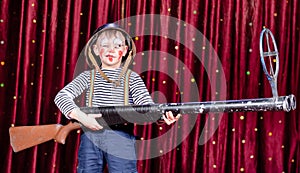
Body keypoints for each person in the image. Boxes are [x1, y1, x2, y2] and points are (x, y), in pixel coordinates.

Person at [54, 23, 180, 173]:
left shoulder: (132, 78)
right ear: (96, 49)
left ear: (125, 50)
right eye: (105, 45)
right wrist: (82, 117)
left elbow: (146, 107)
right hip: (91, 137)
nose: (111, 50)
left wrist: (162, 116)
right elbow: (61, 96)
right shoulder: (88, 77)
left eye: (117, 45)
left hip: (121, 137)